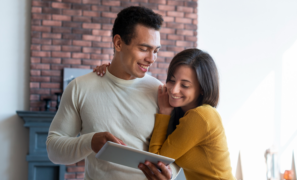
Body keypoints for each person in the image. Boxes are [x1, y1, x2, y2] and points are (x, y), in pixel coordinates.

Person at [46, 6, 178, 180]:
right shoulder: (80, 87)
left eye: (156, 51)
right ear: (118, 43)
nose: (151, 59)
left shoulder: (160, 92)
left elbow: (176, 151)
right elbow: (53, 150)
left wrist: (170, 174)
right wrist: (89, 142)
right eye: (144, 49)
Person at [95, 48, 236, 180]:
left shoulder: (201, 116)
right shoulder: (182, 111)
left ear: (202, 89)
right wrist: (109, 72)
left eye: (185, 85)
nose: (174, 90)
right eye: (172, 80)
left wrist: (164, 113)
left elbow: (157, 160)